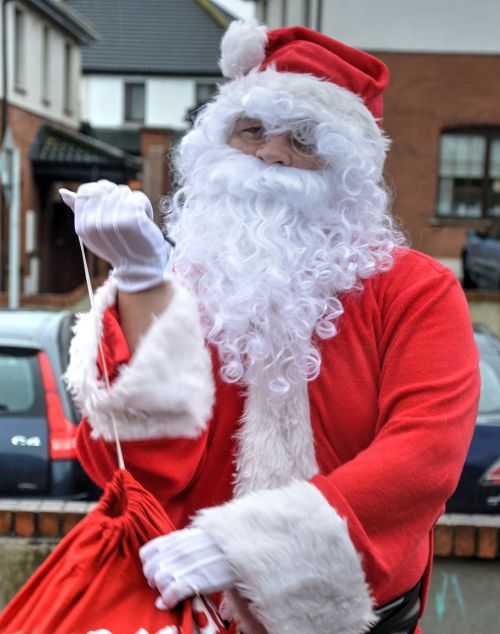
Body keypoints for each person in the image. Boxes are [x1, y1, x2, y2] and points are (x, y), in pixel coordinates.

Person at [60, 20, 480, 634]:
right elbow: (130, 470)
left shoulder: (416, 290)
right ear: (216, 145)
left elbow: (425, 457)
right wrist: (142, 288)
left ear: (348, 169)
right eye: (251, 131)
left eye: (305, 139)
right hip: (183, 615)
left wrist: (255, 543)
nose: (273, 154)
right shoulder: (175, 281)